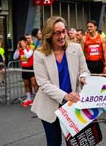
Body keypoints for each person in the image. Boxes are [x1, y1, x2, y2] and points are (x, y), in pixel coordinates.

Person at [31, 16, 90, 146]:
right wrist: (65, 96)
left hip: (73, 105)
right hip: (49, 107)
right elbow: (44, 83)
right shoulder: (39, 54)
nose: (62, 36)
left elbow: (84, 70)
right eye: (58, 33)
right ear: (49, 35)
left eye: (64, 31)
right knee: (53, 142)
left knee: (77, 143)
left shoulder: (76, 48)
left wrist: (83, 77)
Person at [13, 36, 38, 107]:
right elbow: (14, 57)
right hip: (24, 68)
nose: (21, 44)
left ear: (25, 42)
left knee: (34, 83)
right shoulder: (20, 49)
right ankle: (29, 99)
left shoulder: (31, 47)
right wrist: (17, 49)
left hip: (31, 67)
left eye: (22, 42)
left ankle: (38, 99)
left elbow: (28, 56)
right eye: (20, 43)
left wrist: (24, 48)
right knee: (26, 84)